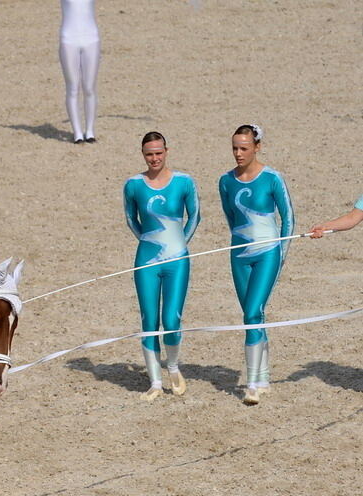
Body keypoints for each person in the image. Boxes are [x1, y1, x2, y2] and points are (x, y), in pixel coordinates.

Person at [218, 125, 294, 405]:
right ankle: (263, 377)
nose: (238, 153)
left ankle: (251, 383)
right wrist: (237, 244)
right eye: (235, 148)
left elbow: (288, 219)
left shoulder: (272, 178)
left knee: (252, 312)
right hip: (239, 255)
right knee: (253, 315)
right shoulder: (225, 181)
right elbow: (230, 217)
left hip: (268, 254)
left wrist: (281, 254)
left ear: (257, 147)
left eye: (244, 148)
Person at [124, 132, 201, 401]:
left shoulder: (183, 182)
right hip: (146, 259)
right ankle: (155, 382)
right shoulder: (133, 184)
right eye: (149, 154)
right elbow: (131, 218)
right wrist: (147, 241)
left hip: (177, 258)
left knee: (171, 319)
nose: (154, 158)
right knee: (149, 320)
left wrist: (180, 244)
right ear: (143, 154)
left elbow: (195, 216)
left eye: (158, 153)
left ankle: (173, 366)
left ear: (166, 151)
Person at [58, 0, 100, 144]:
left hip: (91, 39)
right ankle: (77, 132)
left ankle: (89, 131)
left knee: (89, 88)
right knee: (72, 87)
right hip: (68, 40)